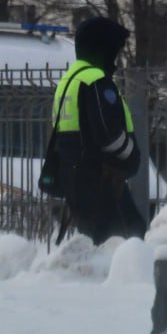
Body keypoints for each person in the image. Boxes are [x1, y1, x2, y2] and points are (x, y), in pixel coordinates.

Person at [51, 16, 147, 245]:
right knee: (128, 237)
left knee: (102, 239)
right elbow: (107, 133)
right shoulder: (95, 81)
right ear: (102, 49)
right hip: (100, 177)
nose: (115, 59)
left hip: (75, 174)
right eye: (113, 50)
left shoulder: (68, 80)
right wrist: (131, 154)